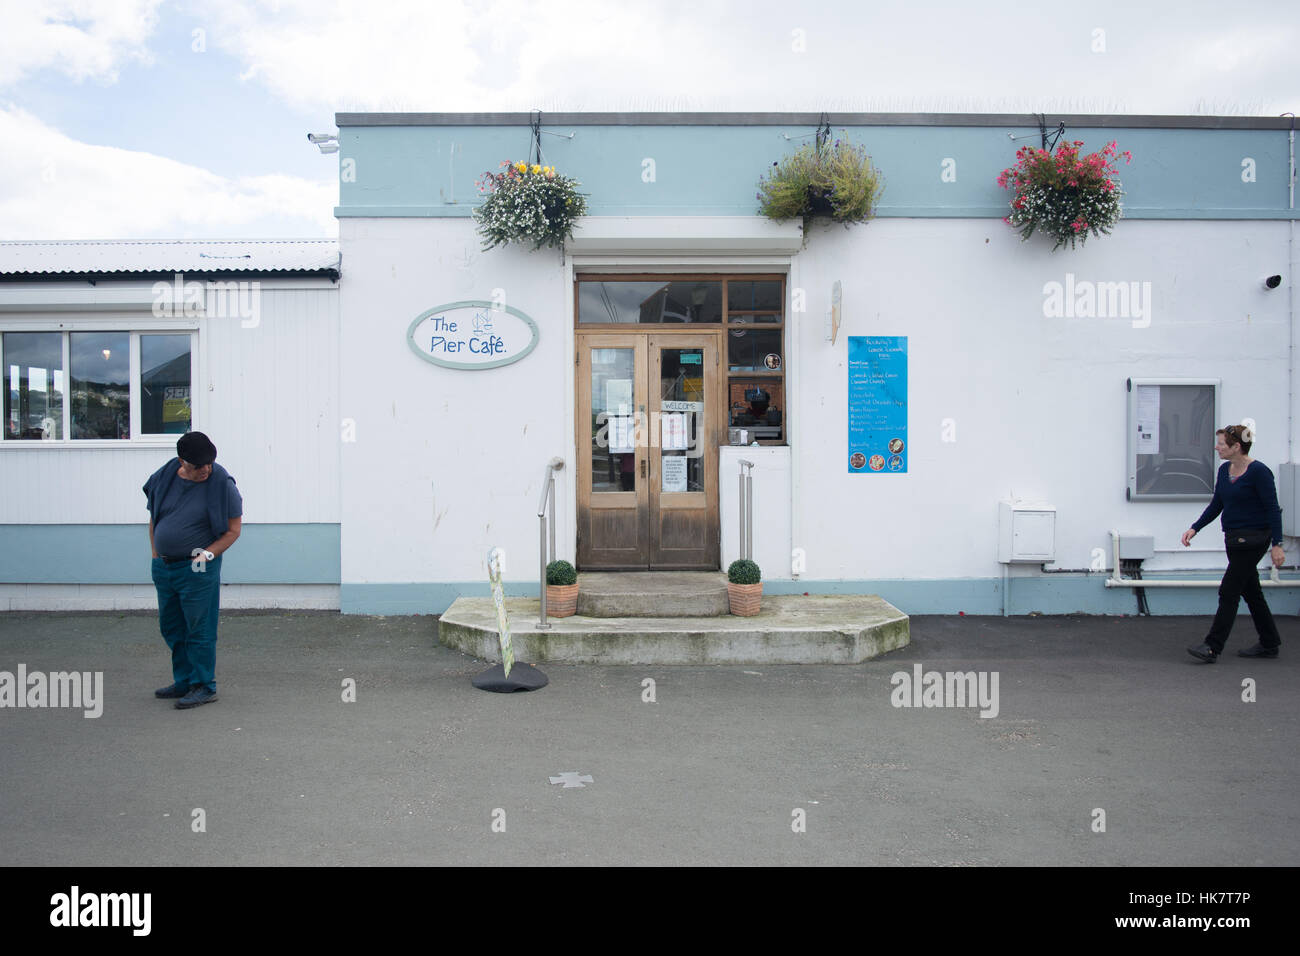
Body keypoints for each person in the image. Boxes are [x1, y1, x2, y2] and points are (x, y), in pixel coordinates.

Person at [143, 432, 243, 708]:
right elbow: (154, 518)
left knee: (199, 627)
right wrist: (155, 556)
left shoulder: (220, 482)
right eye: (199, 466)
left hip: (198, 566)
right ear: (182, 462)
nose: (206, 470)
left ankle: (204, 685)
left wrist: (206, 556)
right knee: (172, 627)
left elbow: (234, 530)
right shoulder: (164, 478)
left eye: (209, 463)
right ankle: (184, 680)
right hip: (165, 566)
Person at [1181, 424, 1283, 662]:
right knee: (1251, 591)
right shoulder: (1225, 470)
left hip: (1254, 539)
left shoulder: (1259, 472)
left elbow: (1272, 509)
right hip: (1234, 539)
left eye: (1222, 444)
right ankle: (1269, 642)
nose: (1217, 448)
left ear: (1237, 446)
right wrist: (1195, 527)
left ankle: (1212, 647)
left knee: (1229, 590)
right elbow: (1217, 504)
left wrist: (1277, 544)